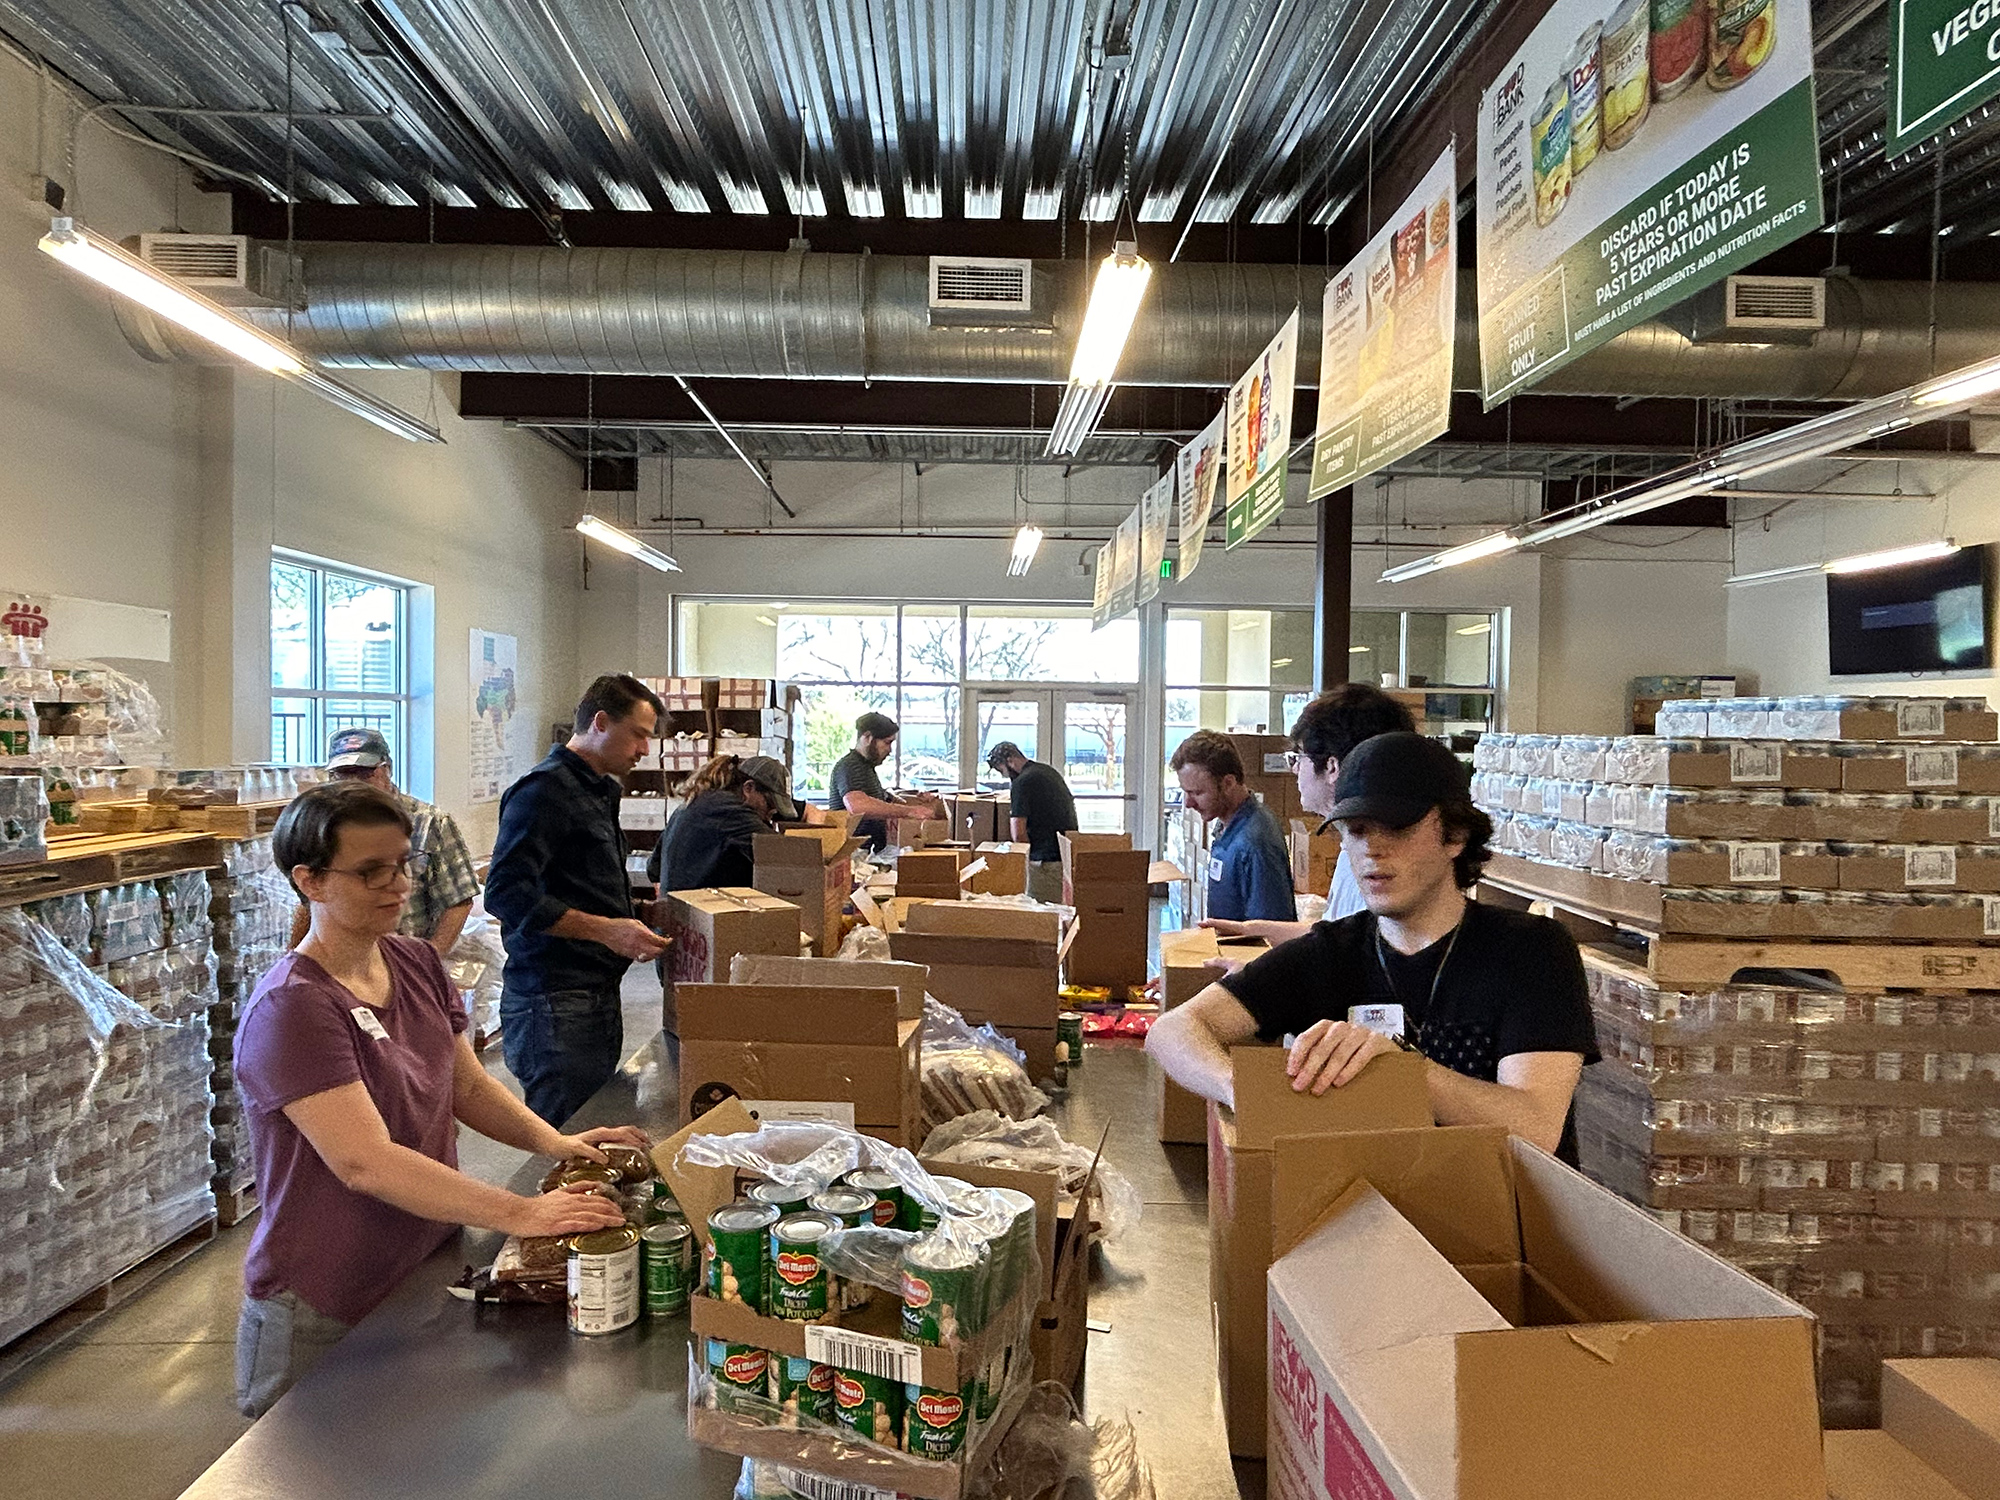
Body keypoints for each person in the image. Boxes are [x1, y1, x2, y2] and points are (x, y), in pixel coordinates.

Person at [234, 780, 646, 1417]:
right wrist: (521, 1213)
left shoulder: (415, 963)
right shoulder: (296, 1007)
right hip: (326, 1296)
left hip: (422, 1266)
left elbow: (468, 1086)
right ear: (310, 881)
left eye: (403, 865)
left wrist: (557, 1143)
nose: (398, 886)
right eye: (371, 872)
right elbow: (363, 1161)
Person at [1145, 732, 1599, 1163]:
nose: (1372, 850)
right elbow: (1173, 1030)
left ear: (1456, 837)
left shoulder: (1530, 951)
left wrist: (1400, 1071)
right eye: (1357, 830)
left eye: (1397, 829)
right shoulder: (1330, 953)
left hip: (1509, 1231)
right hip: (1366, 1218)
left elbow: (1536, 1126)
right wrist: (1238, 1087)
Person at [485, 674, 671, 1126]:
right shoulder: (543, 791)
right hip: (553, 1000)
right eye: (639, 736)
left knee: (593, 1125)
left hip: (593, 994)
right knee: (566, 1136)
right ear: (601, 723)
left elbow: (576, 881)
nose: (644, 750)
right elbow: (507, 893)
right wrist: (607, 930)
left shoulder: (600, 789)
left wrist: (635, 913)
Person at [1205, 684, 1416, 947]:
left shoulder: (1380, 865)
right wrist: (1254, 931)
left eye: (1297, 757)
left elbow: (1358, 963)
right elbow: (1334, 936)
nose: (1294, 770)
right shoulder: (1352, 846)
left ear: (1331, 767)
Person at [286, 728, 480, 956]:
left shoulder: (429, 823)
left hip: (406, 958)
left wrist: (430, 959)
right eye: (343, 774)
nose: (354, 783)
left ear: (387, 769)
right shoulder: (322, 827)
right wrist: (294, 955)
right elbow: (310, 901)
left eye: (365, 773)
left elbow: (458, 899)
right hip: (343, 961)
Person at [1170, 730, 1296, 924]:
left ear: (1228, 783)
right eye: (1185, 792)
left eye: (1197, 792)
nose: (1188, 803)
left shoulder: (1255, 843)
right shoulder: (1228, 827)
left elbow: (1269, 931)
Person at [647, 754, 801, 892]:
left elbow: (653, 868)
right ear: (749, 788)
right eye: (770, 805)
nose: (770, 815)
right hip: (699, 919)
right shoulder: (728, 810)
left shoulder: (698, 802)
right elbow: (789, 857)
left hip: (686, 916)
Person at [827, 712, 943, 851]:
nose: (889, 750)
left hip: (870, 853)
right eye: (887, 743)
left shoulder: (866, 768)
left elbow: (877, 801)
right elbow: (857, 805)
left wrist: (917, 800)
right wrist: (910, 811)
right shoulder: (850, 766)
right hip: (855, 854)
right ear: (868, 737)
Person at [985, 741, 1077, 903]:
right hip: (1064, 855)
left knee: (1041, 914)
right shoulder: (1047, 771)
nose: (1004, 776)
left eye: (1002, 770)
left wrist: (1022, 862)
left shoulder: (1022, 783)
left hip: (1044, 862)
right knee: (1060, 911)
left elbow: (1018, 833)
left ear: (1010, 760)